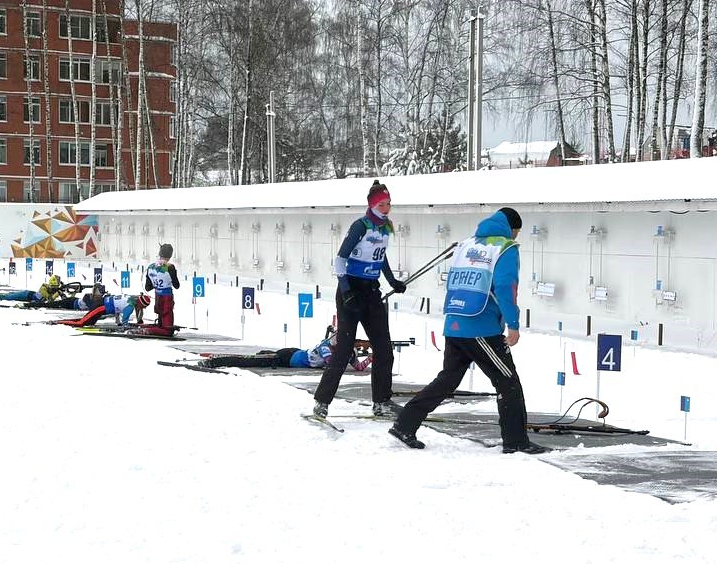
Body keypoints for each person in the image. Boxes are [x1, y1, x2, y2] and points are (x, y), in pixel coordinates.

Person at [389, 207, 549, 454]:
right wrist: (513, 324)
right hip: (481, 327)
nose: (516, 236)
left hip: (454, 322)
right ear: (512, 228)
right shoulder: (504, 248)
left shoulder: (466, 245)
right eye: (517, 232)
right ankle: (516, 441)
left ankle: (405, 424)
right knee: (508, 383)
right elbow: (506, 287)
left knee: (447, 380)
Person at [312, 179, 405, 419]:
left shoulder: (385, 228)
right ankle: (322, 402)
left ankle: (381, 401)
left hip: (371, 291)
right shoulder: (360, 226)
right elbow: (340, 259)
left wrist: (392, 281)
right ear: (372, 205)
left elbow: (380, 257)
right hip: (351, 290)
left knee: (384, 348)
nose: (386, 209)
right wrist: (346, 290)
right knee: (344, 349)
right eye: (382, 204)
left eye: (389, 204)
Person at [199, 326, 372, 371]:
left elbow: (359, 367)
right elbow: (331, 363)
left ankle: (264, 354)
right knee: (251, 361)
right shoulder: (326, 348)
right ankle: (214, 362)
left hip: (295, 354)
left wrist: (371, 357)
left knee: (263, 357)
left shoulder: (347, 351)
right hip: (288, 357)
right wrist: (347, 353)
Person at [143, 244, 180, 336]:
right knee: (168, 330)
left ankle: (148, 329)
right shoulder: (170, 267)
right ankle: (146, 331)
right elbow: (177, 285)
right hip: (167, 299)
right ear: (170, 255)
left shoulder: (150, 267)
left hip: (158, 298)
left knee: (161, 325)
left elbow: (147, 287)